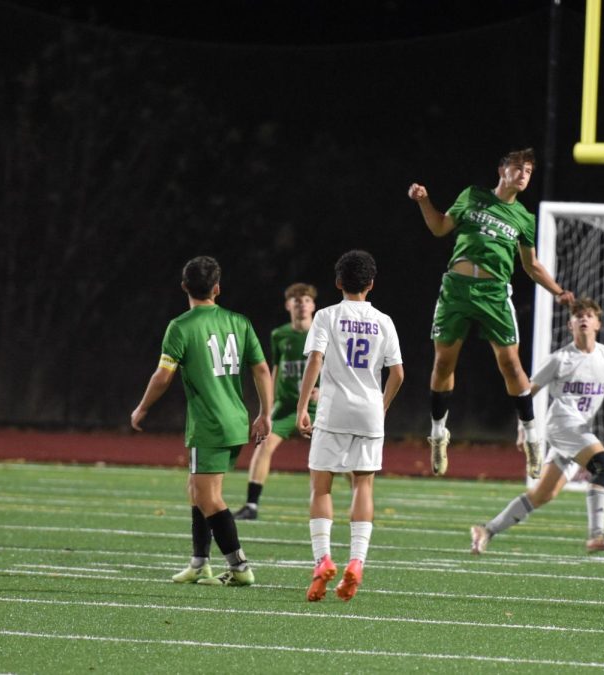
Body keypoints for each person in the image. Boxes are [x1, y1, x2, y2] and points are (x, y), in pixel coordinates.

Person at [408, 148, 574, 479]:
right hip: (456, 289)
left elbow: (531, 265)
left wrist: (558, 291)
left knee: (511, 365)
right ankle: (439, 433)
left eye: (528, 170)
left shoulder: (524, 218)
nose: (524, 173)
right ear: (502, 170)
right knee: (443, 363)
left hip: (494, 293)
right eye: (518, 167)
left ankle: (531, 436)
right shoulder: (473, 196)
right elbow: (441, 227)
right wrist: (424, 201)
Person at [130, 255, 273, 586]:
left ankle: (239, 568)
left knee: (208, 497)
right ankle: (199, 563)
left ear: (184, 287)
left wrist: (142, 408)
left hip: (209, 424)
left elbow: (163, 376)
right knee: (198, 490)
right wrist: (264, 413)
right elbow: (262, 369)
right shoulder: (239, 321)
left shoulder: (181, 326)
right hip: (236, 420)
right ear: (217, 288)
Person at [470, 297, 604, 555]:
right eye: (577, 315)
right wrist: (522, 427)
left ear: (598, 324)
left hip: (579, 430)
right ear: (570, 325)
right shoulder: (560, 359)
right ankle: (597, 535)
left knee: (542, 495)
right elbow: (527, 391)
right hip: (562, 424)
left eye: (589, 315)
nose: (583, 318)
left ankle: (486, 530)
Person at [300, 250, 404, 602]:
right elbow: (398, 374)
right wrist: (382, 407)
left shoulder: (327, 316)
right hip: (369, 413)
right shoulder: (384, 321)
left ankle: (322, 559)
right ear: (371, 284)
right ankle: (357, 562)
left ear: (338, 282)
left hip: (333, 411)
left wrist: (303, 408)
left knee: (321, 487)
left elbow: (315, 360)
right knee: (364, 487)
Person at [234, 283, 319, 520]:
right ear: (288, 305)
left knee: (333, 458)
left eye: (306, 300)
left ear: (313, 305)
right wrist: (267, 407)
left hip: (316, 408)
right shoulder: (279, 335)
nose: (301, 305)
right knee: (263, 447)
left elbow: (336, 368)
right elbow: (275, 370)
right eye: (296, 300)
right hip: (286, 406)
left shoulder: (322, 334)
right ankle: (251, 505)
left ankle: (360, 498)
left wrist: (324, 391)